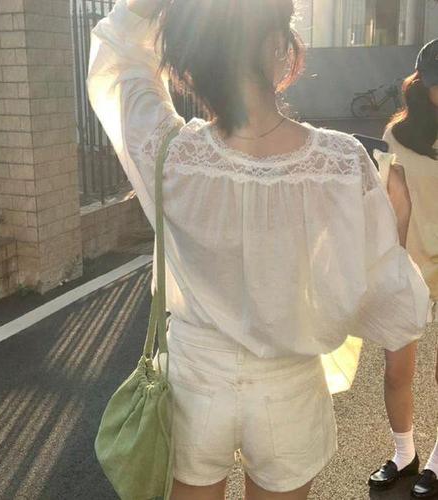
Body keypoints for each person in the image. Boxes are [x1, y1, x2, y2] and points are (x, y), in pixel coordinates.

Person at [87, 1, 430, 498]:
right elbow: (385, 291)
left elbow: (118, 61)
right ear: (281, 45)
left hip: (192, 383)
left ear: (190, 64)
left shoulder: (172, 154)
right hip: (289, 388)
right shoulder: (340, 162)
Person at [368, 39, 438, 499]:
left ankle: (437, 462)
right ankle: (404, 453)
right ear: (420, 82)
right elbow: (386, 203)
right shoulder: (398, 135)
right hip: (409, 265)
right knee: (397, 371)